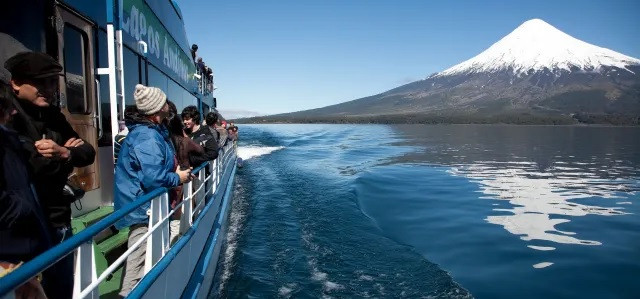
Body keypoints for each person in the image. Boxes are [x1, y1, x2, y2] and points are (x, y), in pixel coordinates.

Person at [5, 51, 96, 299]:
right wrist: (67, 156)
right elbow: (33, 167)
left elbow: (88, 152)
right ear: (15, 83)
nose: (48, 88)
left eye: (52, 81)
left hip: (59, 221)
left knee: (61, 289)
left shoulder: (54, 116)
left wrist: (64, 154)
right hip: (28, 232)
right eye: (39, 82)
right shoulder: (11, 119)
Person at [114, 84, 192, 296]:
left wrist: (173, 169)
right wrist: (178, 176)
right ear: (157, 110)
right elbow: (152, 177)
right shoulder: (147, 136)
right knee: (138, 261)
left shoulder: (152, 131)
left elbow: (154, 168)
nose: (169, 105)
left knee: (143, 255)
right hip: (143, 207)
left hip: (146, 204)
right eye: (165, 102)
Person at [0, 81, 50, 299]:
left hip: (21, 256)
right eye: (6, 105)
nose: (13, 111)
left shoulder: (9, 140)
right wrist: (25, 206)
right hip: (10, 258)